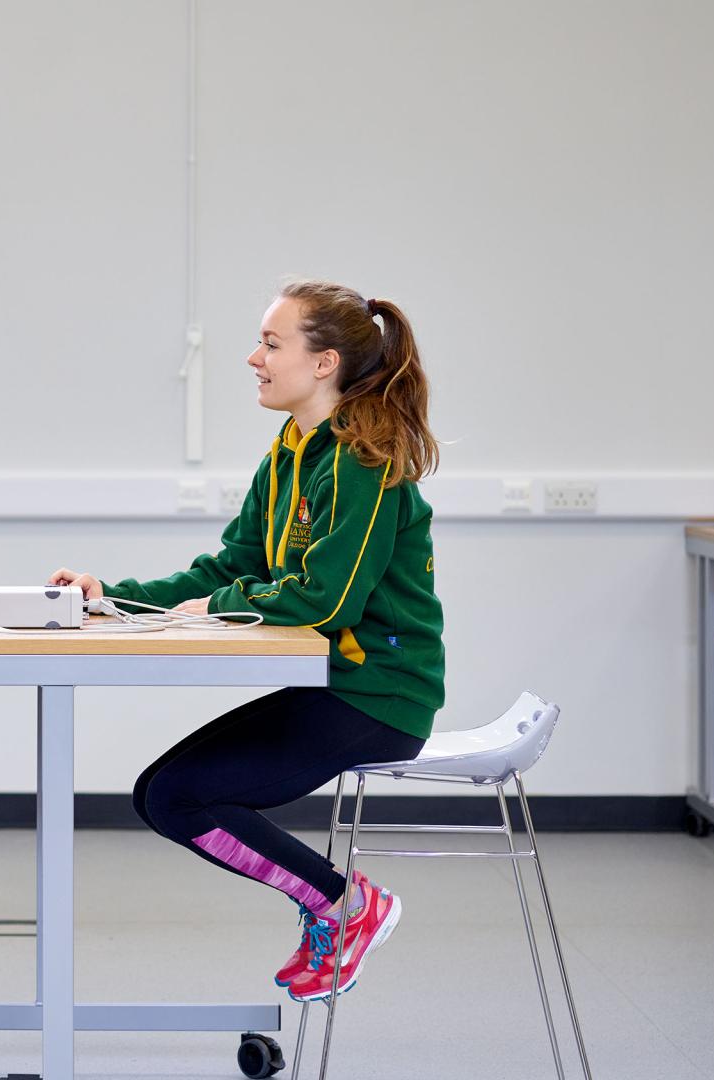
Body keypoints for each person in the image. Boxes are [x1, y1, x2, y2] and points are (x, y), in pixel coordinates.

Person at [49, 279, 444, 1002]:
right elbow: (233, 566)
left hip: (378, 697)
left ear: (323, 363)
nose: (253, 357)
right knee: (160, 795)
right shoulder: (292, 450)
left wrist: (217, 607)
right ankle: (337, 903)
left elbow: (327, 600)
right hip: (330, 687)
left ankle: (345, 905)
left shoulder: (361, 462)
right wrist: (113, 599)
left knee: (177, 799)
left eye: (271, 342)